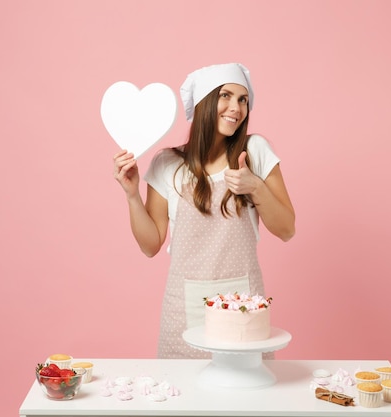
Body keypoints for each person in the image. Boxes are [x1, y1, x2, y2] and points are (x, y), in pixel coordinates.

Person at [113, 63, 295, 358]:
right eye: (225, 95)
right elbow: (150, 246)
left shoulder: (255, 151)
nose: (235, 107)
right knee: (183, 398)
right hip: (183, 311)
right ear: (204, 103)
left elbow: (287, 229)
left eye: (243, 99)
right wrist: (132, 195)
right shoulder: (167, 164)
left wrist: (255, 187)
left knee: (244, 394)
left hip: (243, 309)